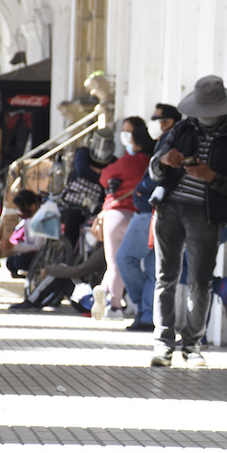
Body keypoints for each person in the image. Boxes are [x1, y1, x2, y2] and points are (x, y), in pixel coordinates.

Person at [148, 75, 227, 368]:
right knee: (165, 277)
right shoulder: (182, 127)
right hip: (170, 207)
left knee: (200, 282)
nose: (203, 117)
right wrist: (165, 160)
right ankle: (163, 343)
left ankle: (192, 345)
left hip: (207, 214)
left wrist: (212, 177)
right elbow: (153, 169)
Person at [116, 104, 182, 332]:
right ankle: (147, 315)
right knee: (155, 268)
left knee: (125, 258)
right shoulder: (166, 140)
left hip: (151, 211)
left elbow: (161, 176)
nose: (154, 123)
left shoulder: (171, 140)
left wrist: (144, 189)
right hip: (155, 211)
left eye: (158, 119)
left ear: (168, 122)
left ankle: (145, 312)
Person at [90, 118, 154, 320]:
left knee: (116, 261)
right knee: (136, 261)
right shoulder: (151, 161)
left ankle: (114, 303)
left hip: (116, 214)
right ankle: (115, 298)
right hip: (142, 217)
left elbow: (103, 177)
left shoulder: (127, 161)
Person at [0, 190, 45, 279]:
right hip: (32, 253)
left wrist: (13, 247)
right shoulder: (27, 221)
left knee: (19, 261)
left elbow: (38, 248)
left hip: (42, 256)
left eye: (22, 208)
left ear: (32, 206)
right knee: (10, 261)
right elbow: (28, 244)